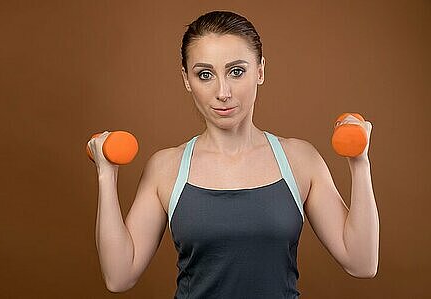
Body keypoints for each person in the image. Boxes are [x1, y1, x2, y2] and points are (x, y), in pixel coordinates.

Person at [88, 10, 378, 298]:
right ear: (187, 79)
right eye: (205, 75)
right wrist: (106, 173)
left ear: (260, 71)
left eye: (236, 71)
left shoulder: (300, 160)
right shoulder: (166, 168)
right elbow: (119, 276)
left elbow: (362, 262)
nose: (222, 92)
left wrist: (359, 161)